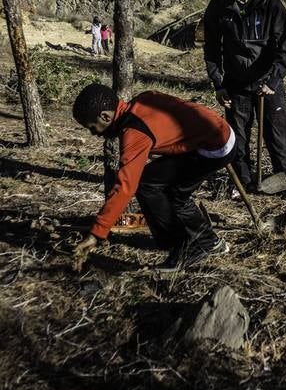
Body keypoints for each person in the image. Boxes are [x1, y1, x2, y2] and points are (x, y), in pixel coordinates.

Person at [71, 84, 235, 271]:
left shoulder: (134, 134)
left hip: (214, 147)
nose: (95, 134)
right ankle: (209, 242)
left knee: (171, 194)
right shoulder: (143, 100)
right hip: (215, 133)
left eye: (93, 128)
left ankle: (184, 248)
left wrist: (96, 233)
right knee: (151, 182)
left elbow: (125, 186)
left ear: (105, 117)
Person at [203, 0, 286, 198]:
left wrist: (273, 81)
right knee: (238, 137)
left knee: (277, 135)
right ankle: (242, 184)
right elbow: (211, 48)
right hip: (235, 83)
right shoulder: (219, 5)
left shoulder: (271, 5)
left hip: (267, 83)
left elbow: (285, 49)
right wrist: (218, 83)